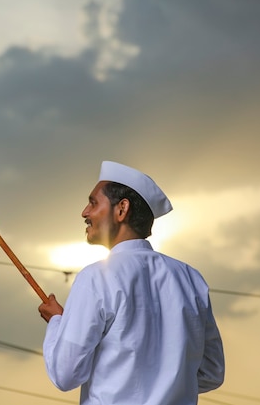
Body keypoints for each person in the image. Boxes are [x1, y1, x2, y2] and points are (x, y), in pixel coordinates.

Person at [38, 161, 225, 405]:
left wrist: (57, 322)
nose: (85, 212)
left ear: (121, 209)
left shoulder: (96, 277)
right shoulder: (190, 278)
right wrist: (165, 384)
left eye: (93, 202)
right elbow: (212, 372)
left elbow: (65, 374)